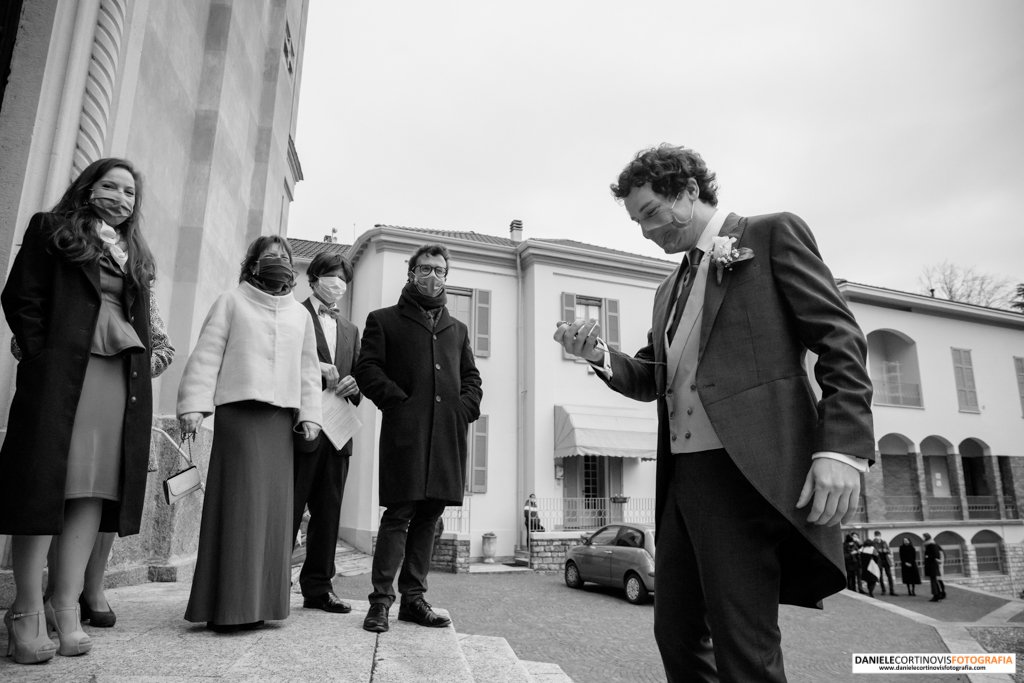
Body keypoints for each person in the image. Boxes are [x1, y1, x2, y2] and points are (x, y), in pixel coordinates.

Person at [554, 144, 874, 683]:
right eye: (637, 222)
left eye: (652, 213)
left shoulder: (770, 235)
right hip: (683, 479)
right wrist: (599, 356)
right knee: (675, 634)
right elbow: (654, 376)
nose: (646, 232)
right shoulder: (667, 289)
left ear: (689, 191)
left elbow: (840, 340)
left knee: (743, 644)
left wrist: (841, 447)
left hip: (745, 472)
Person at [0, 158, 160, 663]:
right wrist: (39, 351)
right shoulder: (51, 228)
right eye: (110, 186)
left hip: (118, 380)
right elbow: (20, 296)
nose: (121, 198)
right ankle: (25, 610)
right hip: (61, 377)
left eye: (130, 193)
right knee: (45, 484)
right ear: (87, 188)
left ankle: (65, 607)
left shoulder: (134, 251)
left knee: (92, 491)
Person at [177, 235, 322, 632]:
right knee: (239, 506)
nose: (278, 261)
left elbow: (309, 370)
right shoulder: (231, 301)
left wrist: (312, 415)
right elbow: (207, 353)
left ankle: (261, 605)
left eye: (285, 257)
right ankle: (228, 606)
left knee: (274, 514)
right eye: (269, 256)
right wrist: (192, 404)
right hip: (238, 416)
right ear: (252, 264)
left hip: (280, 424)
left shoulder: (300, 316)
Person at [354, 243, 483, 633]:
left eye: (440, 271)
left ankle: (413, 600)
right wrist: (399, 404)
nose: (432, 276)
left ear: (446, 276)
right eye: (425, 269)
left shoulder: (457, 330)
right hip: (405, 434)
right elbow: (368, 369)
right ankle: (380, 603)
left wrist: (464, 409)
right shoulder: (384, 320)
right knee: (399, 515)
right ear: (411, 273)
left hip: (446, 436)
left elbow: (472, 379)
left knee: (430, 516)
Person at [293, 252, 361, 614]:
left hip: (339, 432)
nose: (337, 284)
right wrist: (315, 368)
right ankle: (270, 582)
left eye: (343, 278)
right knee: (289, 508)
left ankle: (318, 588)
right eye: (331, 276)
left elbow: (360, 378)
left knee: (328, 512)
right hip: (300, 426)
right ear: (315, 277)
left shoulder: (351, 329)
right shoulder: (293, 313)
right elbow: (283, 364)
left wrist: (355, 386)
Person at [923, 533, 946, 602]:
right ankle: (938, 594)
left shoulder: (932, 545)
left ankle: (937, 595)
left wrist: (927, 557)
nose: (923, 538)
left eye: (924, 537)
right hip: (932, 566)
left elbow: (936, 555)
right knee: (935, 581)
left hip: (933, 566)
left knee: (935, 581)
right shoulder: (929, 545)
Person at [873, 531, 895, 596]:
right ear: (875, 536)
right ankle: (883, 590)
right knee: (880, 576)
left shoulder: (884, 542)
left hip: (885, 560)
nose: (878, 537)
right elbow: (874, 551)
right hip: (878, 561)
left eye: (878, 535)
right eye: (876, 535)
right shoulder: (873, 543)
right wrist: (878, 551)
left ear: (880, 535)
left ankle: (892, 590)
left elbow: (889, 550)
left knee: (889, 575)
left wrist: (887, 551)